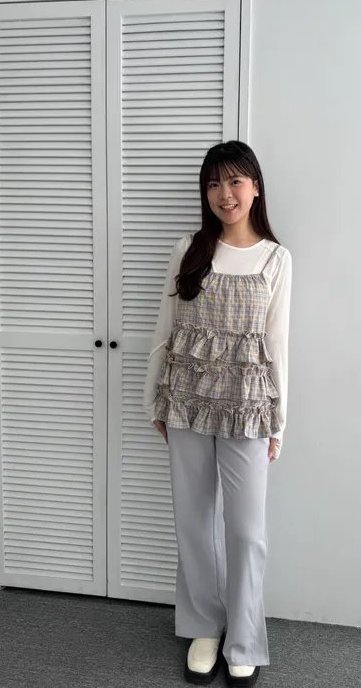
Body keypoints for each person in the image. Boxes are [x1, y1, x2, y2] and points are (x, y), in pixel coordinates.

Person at [143, 140, 292, 687]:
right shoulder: (188, 248)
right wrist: (152, 398)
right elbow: (165, 330)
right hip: (184, 397)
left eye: (234, 181)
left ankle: (244, 638)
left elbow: (277, 344)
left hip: (248, 406)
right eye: (213, 184)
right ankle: (204, 626)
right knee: (193, 520)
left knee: (246, 530)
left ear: (255, 187)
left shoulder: (276, 259)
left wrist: (279, 421)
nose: (224, 194)